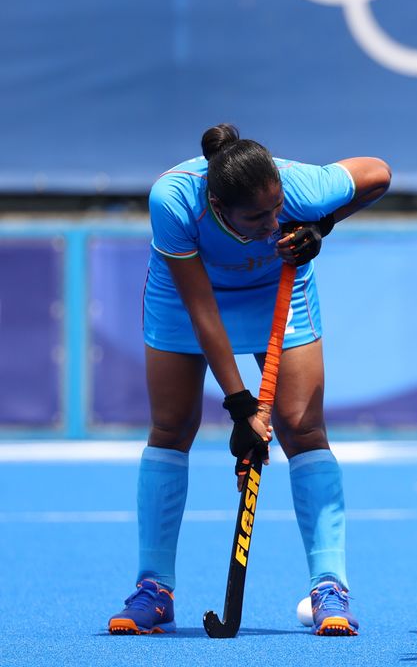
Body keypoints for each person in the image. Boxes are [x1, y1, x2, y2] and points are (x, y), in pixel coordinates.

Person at [107, 124, 391, 637]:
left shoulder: (297, 186)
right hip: (188, 297)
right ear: (217, 204)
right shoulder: (173, 201)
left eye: (279, 208)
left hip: (275, 289)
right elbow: (203, 313)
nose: (274, 220)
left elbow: (378, 174)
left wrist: (321, 225)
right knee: (171, 428)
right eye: (257, 217)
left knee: (304, 430)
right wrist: (241, 408)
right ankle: (154, 588)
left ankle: (330, 587)